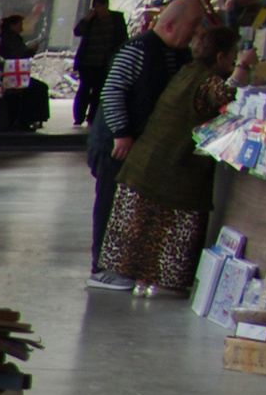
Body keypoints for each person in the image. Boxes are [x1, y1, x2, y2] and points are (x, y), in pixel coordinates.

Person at [100, 24, 250, 296]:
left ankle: (139, 279)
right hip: (173, 170)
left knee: (142, 232)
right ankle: (161, 283)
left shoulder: (188, 71)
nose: (232, 63)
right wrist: (245, 68)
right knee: (172, 234)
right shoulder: (207, 80)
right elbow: (228, 94)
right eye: (231, 57)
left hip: (148, 164)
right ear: (220, 57)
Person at [86, 0, 205, 281]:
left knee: (131, 207)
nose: (196, 32)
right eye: (193, 25)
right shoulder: (137, 50)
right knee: (111, 203)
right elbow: (113, 91)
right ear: (169, 25)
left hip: (141, 146)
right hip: (116, 144)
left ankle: (125, 265)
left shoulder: (178, 54)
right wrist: (121, 133)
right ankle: (102, 268)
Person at [71, 0, 127, 126]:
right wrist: (86, 19)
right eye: (96, 7)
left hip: (104, 62)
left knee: (99, 91)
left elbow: (123, 37)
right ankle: (79, 117)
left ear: (107, 6)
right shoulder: (90, 20)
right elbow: (77, 32)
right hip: (87, 62)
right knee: (84, 90)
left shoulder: (117, 18)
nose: (99, 10)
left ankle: (92, 117)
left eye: (102, 7)